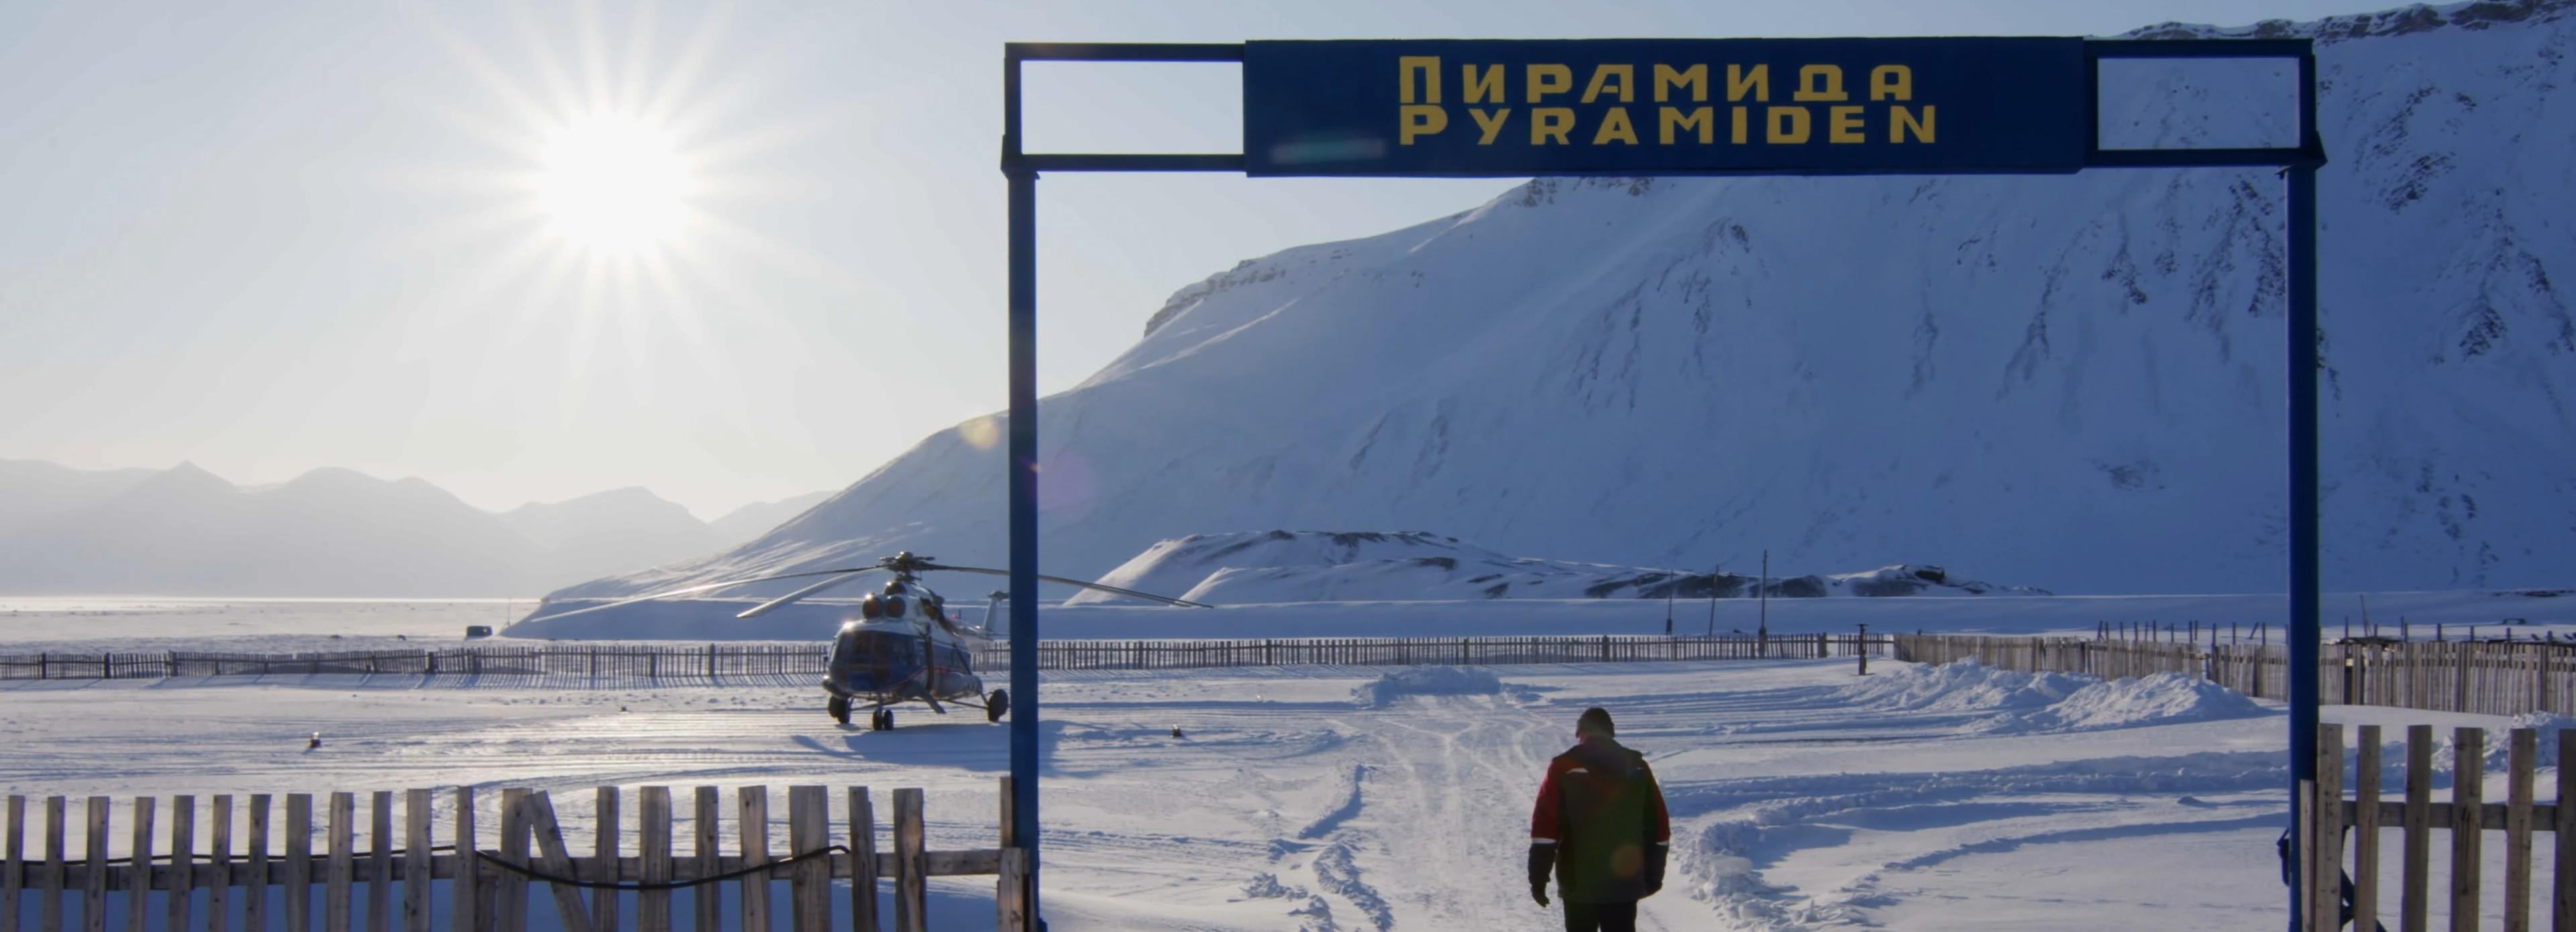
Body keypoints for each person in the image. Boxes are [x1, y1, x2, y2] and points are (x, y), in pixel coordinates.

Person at [1527, 707, 1669, 932]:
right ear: (1611, 732)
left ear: (1580, 733)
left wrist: (1538, 878)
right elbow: (1658, 827)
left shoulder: (1563, 767)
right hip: (1624, 880)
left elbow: (1546, 828)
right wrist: (1654, 874)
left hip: (1578, 882)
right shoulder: (1638, 766)